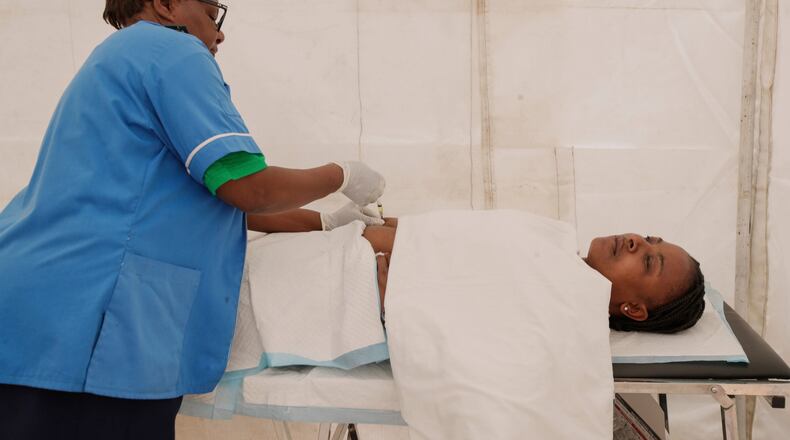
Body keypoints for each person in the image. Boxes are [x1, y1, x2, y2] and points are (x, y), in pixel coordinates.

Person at [0, 1, 385, 439]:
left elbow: (206, 200)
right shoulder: (171, 51)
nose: (219, 34)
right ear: (165, 5)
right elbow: (247, 188)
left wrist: (327, 223)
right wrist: (343, 174)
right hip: (90, 323)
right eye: (209, 10)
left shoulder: (116, 59)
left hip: (35, 311)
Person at [347, 223, 705, 334]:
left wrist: (395, 311)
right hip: (355, 245)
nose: (636, 241)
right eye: (649, 238)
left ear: (632, 308)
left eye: (647, 262)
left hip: (349, 275)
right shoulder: (557, 251)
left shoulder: (557, 312)